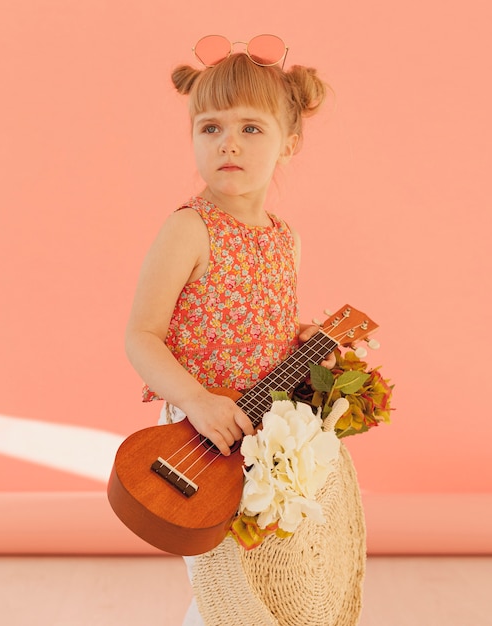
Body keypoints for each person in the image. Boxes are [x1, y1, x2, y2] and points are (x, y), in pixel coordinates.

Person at [124, 35, 331, 624]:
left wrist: (303, 338)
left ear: (289, 142)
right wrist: (194, 399)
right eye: (210, 128)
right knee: (221, 585)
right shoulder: (190, 229)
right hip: (197, 435)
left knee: (259, 582)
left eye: (251, 128)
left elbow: (263, 322)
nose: (228, 143)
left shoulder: (285, 238)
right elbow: (142, 334)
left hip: (263, 433)